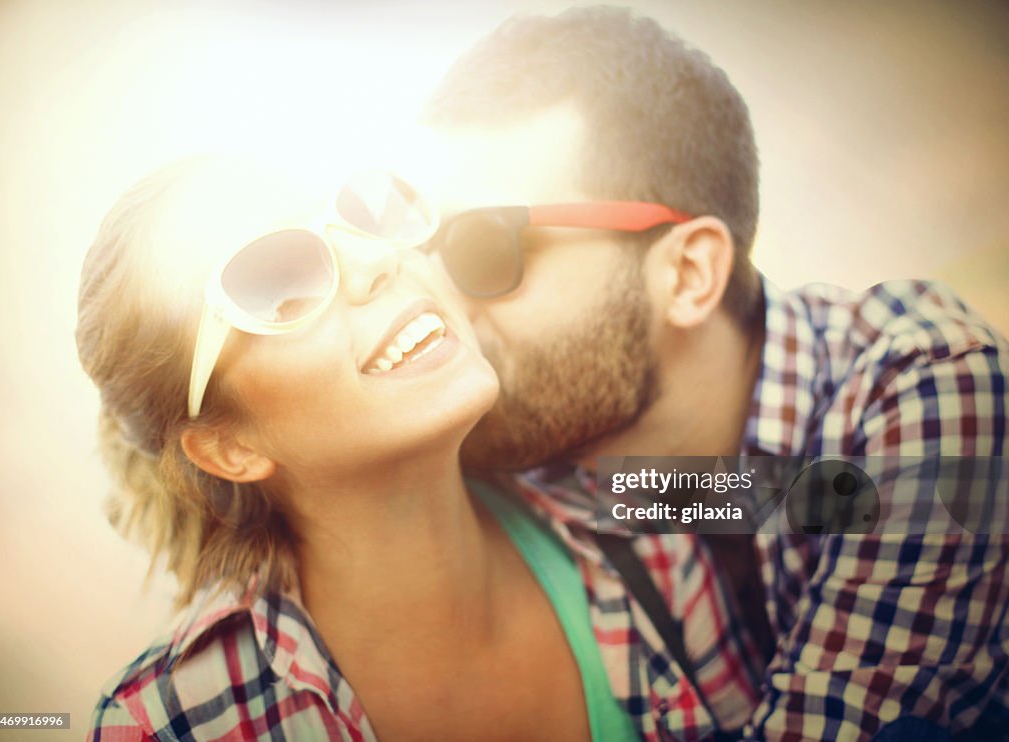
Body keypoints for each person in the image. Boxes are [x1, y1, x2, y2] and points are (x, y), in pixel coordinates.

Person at [421, 6, 1009, 741]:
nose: (439, 297)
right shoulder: (569, 463)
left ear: (690, 273)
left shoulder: (919, 384)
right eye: (426, 250)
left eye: (483, 249)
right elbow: (724, 496)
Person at [80, 157, 656, 740]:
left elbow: (752, 493)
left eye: (359, 216)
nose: (378, 260)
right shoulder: (160, 724)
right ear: (228, 448)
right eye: (281, 282)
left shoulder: (636, 495)